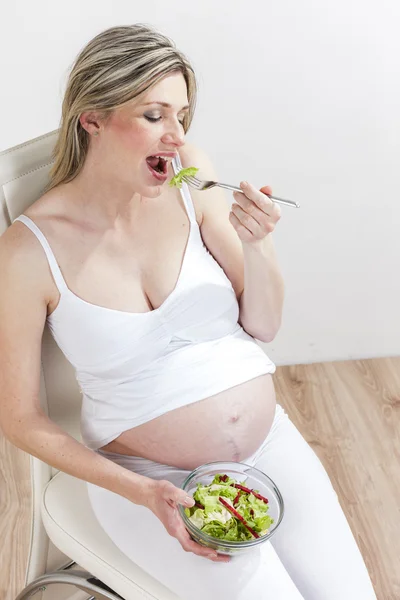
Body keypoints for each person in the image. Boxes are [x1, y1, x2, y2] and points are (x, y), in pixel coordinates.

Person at [0, 24, 377, 600]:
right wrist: (140, 492)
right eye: (154, 116)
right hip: (149, 482)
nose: (176, 137)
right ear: (92, 117)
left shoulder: (190, 178)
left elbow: (264, 325)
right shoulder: (29, 252)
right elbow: (19, 418)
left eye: (182, 115)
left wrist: (258, 244)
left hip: (267, 446)